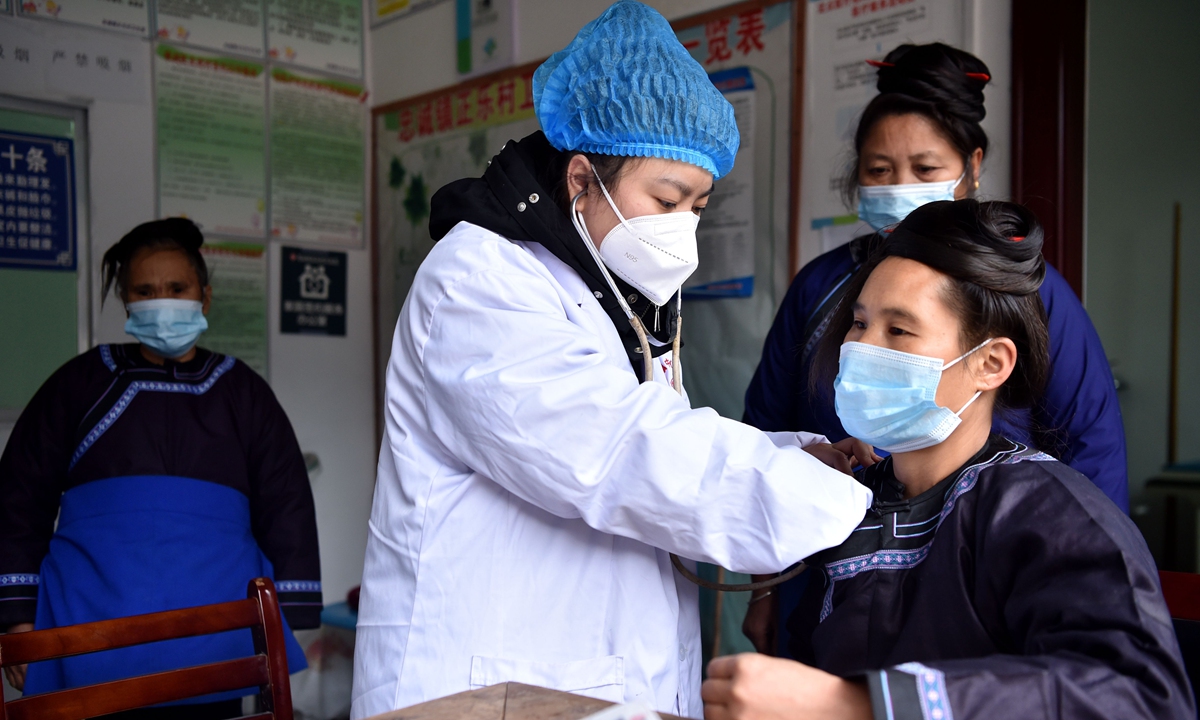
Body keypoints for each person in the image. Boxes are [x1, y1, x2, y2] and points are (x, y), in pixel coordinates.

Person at [351, 3, 876, 718]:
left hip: (590, 674)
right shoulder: (479, 281)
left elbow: (655, 434)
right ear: (579, 181)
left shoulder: (616, 290)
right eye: (666, 198)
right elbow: (616, 452)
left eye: (699, 204)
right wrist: (836, 500)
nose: (683, 227)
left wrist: (801, 456)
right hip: (486, 680)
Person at [701, 200, 1193, 720]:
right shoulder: (847, 504)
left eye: (899, 331)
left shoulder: (1049, 512)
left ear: (990, 363)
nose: (862, 349)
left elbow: (1139, 696)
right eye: (859, 322)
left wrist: (857, 705)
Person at [742, 42, 1128, 655]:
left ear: (970, 167)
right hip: (830, 577)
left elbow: (1092, 443)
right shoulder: (819, 288)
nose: (901, 189)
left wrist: (1082, 570)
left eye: (924, 170)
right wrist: (764, 584)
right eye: (879, 170)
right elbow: (765, 433)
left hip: (974, 576)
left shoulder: (1025, 291)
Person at [0, 218, 321, 718]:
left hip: (219, 635)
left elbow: (287, 501)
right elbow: (19, 496)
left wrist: (290, 611)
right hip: (90, 633)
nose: (162, 301)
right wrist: (17, 617)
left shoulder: (243, 392)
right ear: (127, 303)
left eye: (177, 288)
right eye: (145, 291)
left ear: (204, 297)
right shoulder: (80, 383)